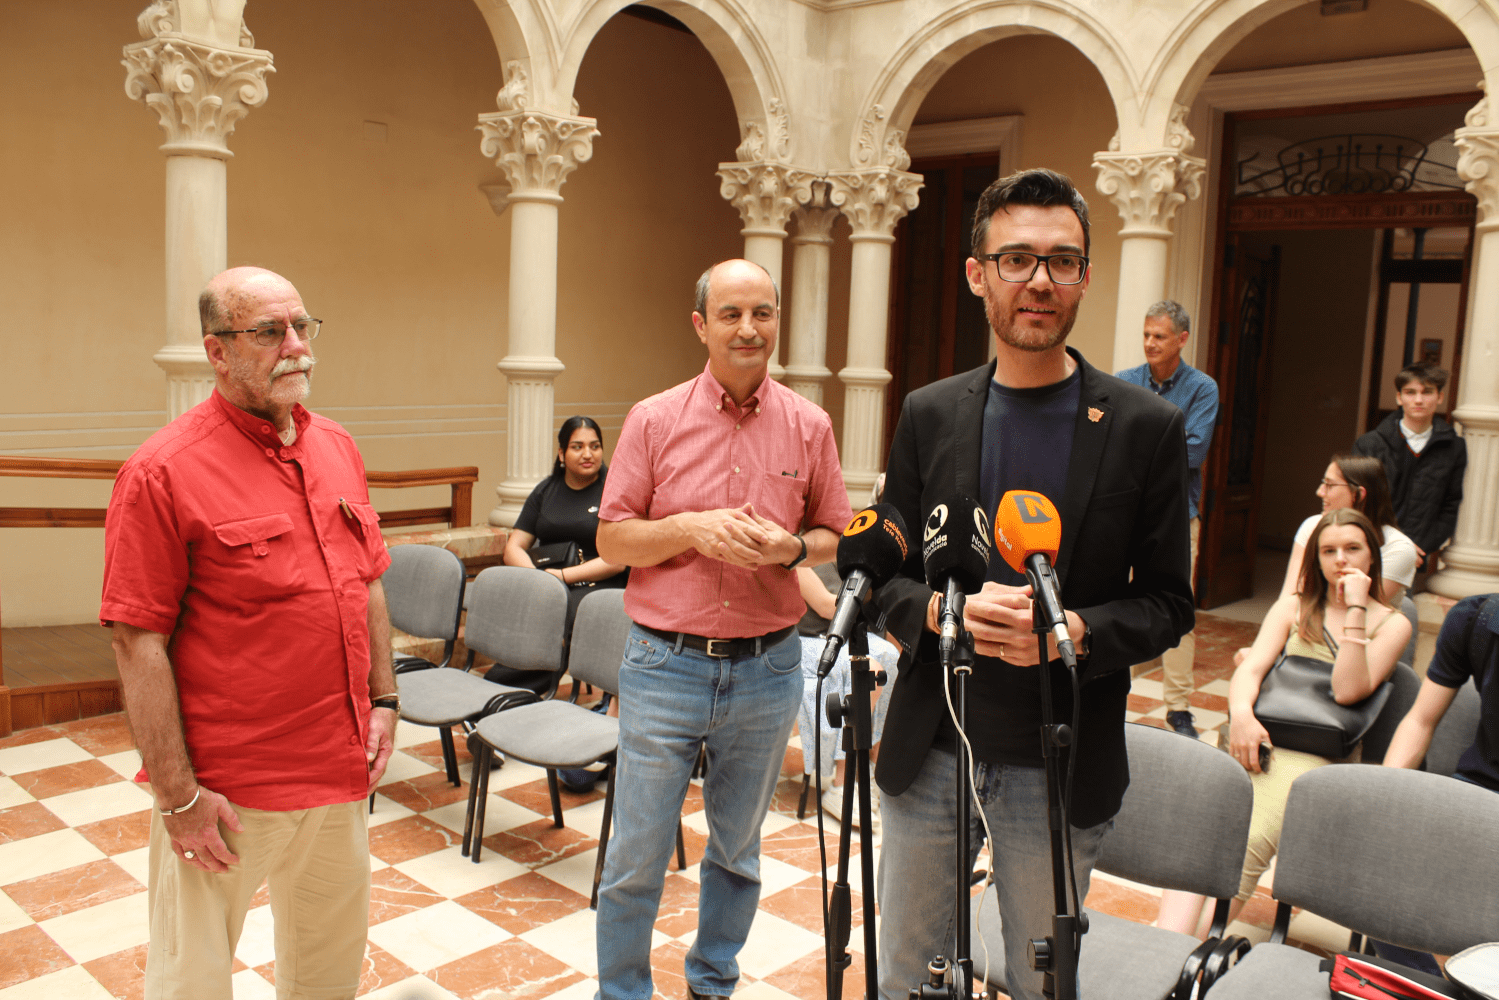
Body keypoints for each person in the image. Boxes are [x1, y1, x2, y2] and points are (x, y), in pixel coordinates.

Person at [872, 168, 1195, 1000]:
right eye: (1015, 259)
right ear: (977, 275)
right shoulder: (929, 413)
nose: (1039, 280)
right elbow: (882, 577)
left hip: (1056, 764)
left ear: (1084, 277)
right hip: (933, 747)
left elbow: (1168, 603)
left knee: (1039, 984)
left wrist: (1076, 632)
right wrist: (941, 611)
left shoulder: (1144, 427)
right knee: (906, 976)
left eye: (1061, 261)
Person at [101, 267, 396, 999]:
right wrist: (178, 798)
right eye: (268, 331)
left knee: (328, 971)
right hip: (230, 791)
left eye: (301, 326)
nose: (296, 346)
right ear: (218, 351)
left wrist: (385, 699)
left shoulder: (338, 447)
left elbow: (367, 580)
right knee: (193, 980)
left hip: (338, 771)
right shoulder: (161, 472)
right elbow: (136, 640)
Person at [593, 258, 853, 1000]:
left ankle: (712, 983)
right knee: (636, 857)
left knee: (737, 853)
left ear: (776, 321)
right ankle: (623, 993)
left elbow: (835, 533)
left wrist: (791, 549)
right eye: (731, 314)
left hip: (767, 670)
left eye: (762, 313)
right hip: (664, 665)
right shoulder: (653, 419)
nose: (748, 329)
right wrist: (689, 528)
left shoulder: (809, 425)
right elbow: (612, 539)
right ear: (701, 326)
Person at [1156, 509, 1410, 937]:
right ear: (1316, 559)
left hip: (1321, 753)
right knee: (1203, 822)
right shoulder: (1294, 606)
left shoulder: (1392, 623)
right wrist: (1241, 717)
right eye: (1328, 551)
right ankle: (1167, 939)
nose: (1340, 560)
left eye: (1352, 548)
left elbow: (1348, 690)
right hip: (1260, 731)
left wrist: (1355, 608)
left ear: (1372, 555)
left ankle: (1192, 945)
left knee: (1252, 835)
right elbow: (1252, 669)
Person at [1376, 592, 1499, 973]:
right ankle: (1436, 985)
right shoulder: (1476, 620)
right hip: (1477, 791)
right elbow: (1420, 721)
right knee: (1373, 875)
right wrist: (1382, 796)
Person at [1116, 300, 1219, 740]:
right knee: (1116, 604)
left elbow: (1193, 452)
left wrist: (1139, 450)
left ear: (1182, 339)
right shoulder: (1125, 382)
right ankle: (1115, 696)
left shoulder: (1202, 388)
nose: (1149, 343)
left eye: (1159, 336)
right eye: (1146, 334)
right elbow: (1112, 446)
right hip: (1124, 516)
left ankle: (1178, 708)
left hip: (1178, 517)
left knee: (1177, 608)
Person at [495, 415, 627, 702]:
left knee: (558, 608)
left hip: (599, 582)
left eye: (594, 446)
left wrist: (563, 577)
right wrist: (539, 579)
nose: (588, 454)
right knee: (524, 600)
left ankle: (516, 691)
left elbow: (618, 559)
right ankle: (500, 686)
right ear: (562, 454)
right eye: (577, 447)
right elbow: (514, 547)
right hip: (548, 580)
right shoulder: (546, 490)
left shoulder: (614, 490)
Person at [795, 565, 899, 832]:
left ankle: (871, 772)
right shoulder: (804, 555)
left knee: (891, 655)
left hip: (848, 637)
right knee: (860, 668)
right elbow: (825, 606)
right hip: (810, 641)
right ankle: (843, 782)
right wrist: (878, 607)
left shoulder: (854, 558)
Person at [1353, 364, 1467, 585]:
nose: (1419, 400)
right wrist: (1387, 543)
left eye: (1427, 392)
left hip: (1416, 555)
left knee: (1402, 606)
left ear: (1440, 397)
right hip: (1368, 547)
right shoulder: (1369, 444)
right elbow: (1356, 500)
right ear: (1399, 397)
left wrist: (1418, 547)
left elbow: (1451, 504)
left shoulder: (1454, 448)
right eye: (1410, 392)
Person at [1279, 454, 1417, 605]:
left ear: (1358, 494)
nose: (1320, 492)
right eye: (1329, 550)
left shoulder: (1398, 548)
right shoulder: (1312, 526)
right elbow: (1289, 596)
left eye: (1329, 485)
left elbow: (1360, 608)